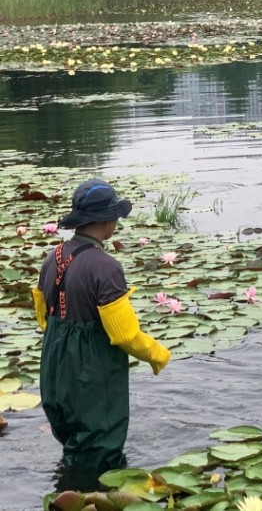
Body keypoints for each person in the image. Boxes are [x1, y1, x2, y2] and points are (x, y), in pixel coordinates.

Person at [32, 178, 171, 477]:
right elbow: (125, 335)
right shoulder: (105, 266)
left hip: (54, 366)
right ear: (107, 220)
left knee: (72, 439)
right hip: (92, 373)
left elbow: (43, 315)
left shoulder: (51, 258)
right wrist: (157, 354)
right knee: (100, 446)